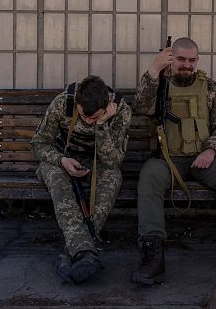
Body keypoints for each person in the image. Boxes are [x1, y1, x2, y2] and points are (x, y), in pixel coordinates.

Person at [130, 37, 216, 285]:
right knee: (149, 177)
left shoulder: (211, 88)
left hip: (204, 159)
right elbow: (141, 106)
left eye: (191, 60)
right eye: (180, 59)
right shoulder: (159, 84)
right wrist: (153, 70)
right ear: (171, 59)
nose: (186, 65)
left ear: (197, 60)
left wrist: (210, 151)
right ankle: (152, 257)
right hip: (167, 160)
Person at [31, 75, 131, 284]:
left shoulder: (120, 111)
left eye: (95, 117)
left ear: (106, 107)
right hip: (59, 161)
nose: (88, 121)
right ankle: (84, 252)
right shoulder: (63, 103)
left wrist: (102, 126)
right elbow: (39, 144)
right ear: (77, 103)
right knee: (58, 179)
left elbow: (113, 162)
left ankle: (72, 253)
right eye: (85, 116)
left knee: (113, 177)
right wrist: (62, 160)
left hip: (97, 164)